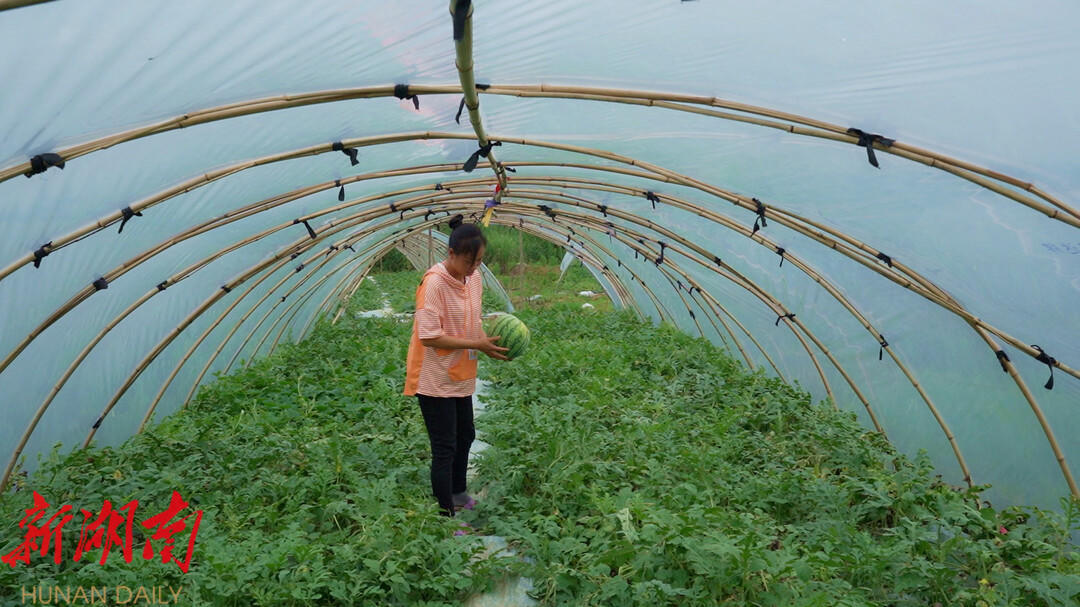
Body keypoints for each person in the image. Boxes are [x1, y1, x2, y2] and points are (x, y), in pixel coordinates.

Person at [403, 215, 509, 523]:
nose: (473, 268)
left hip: (460, 371)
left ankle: (459, 491)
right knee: (445, 446)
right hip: (433, 377)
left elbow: (471, 319)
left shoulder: (473, 278)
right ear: (450, 254)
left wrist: (485, 339)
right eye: (468, 262)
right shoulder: (433, 283)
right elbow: (429, 335)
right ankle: (444, 516)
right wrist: (476, 345)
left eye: (478, 262)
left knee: (466, 434)